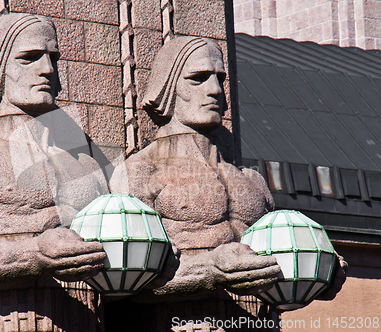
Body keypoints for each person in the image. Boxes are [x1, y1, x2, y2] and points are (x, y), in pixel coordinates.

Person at [110, 36, 347, 299]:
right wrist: (209, 269)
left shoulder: (252, 179)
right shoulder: (139, 171)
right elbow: (124, 271)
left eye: (220, 79)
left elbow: (279, 261)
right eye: (197, 78)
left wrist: (316, 272)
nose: (214, 90)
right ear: (167, 87)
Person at [0, 13, 108, 291]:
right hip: (9, 314)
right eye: (29, 58)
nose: (47, 69)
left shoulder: (84, 155)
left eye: (53, 58)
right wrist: (36, 254)